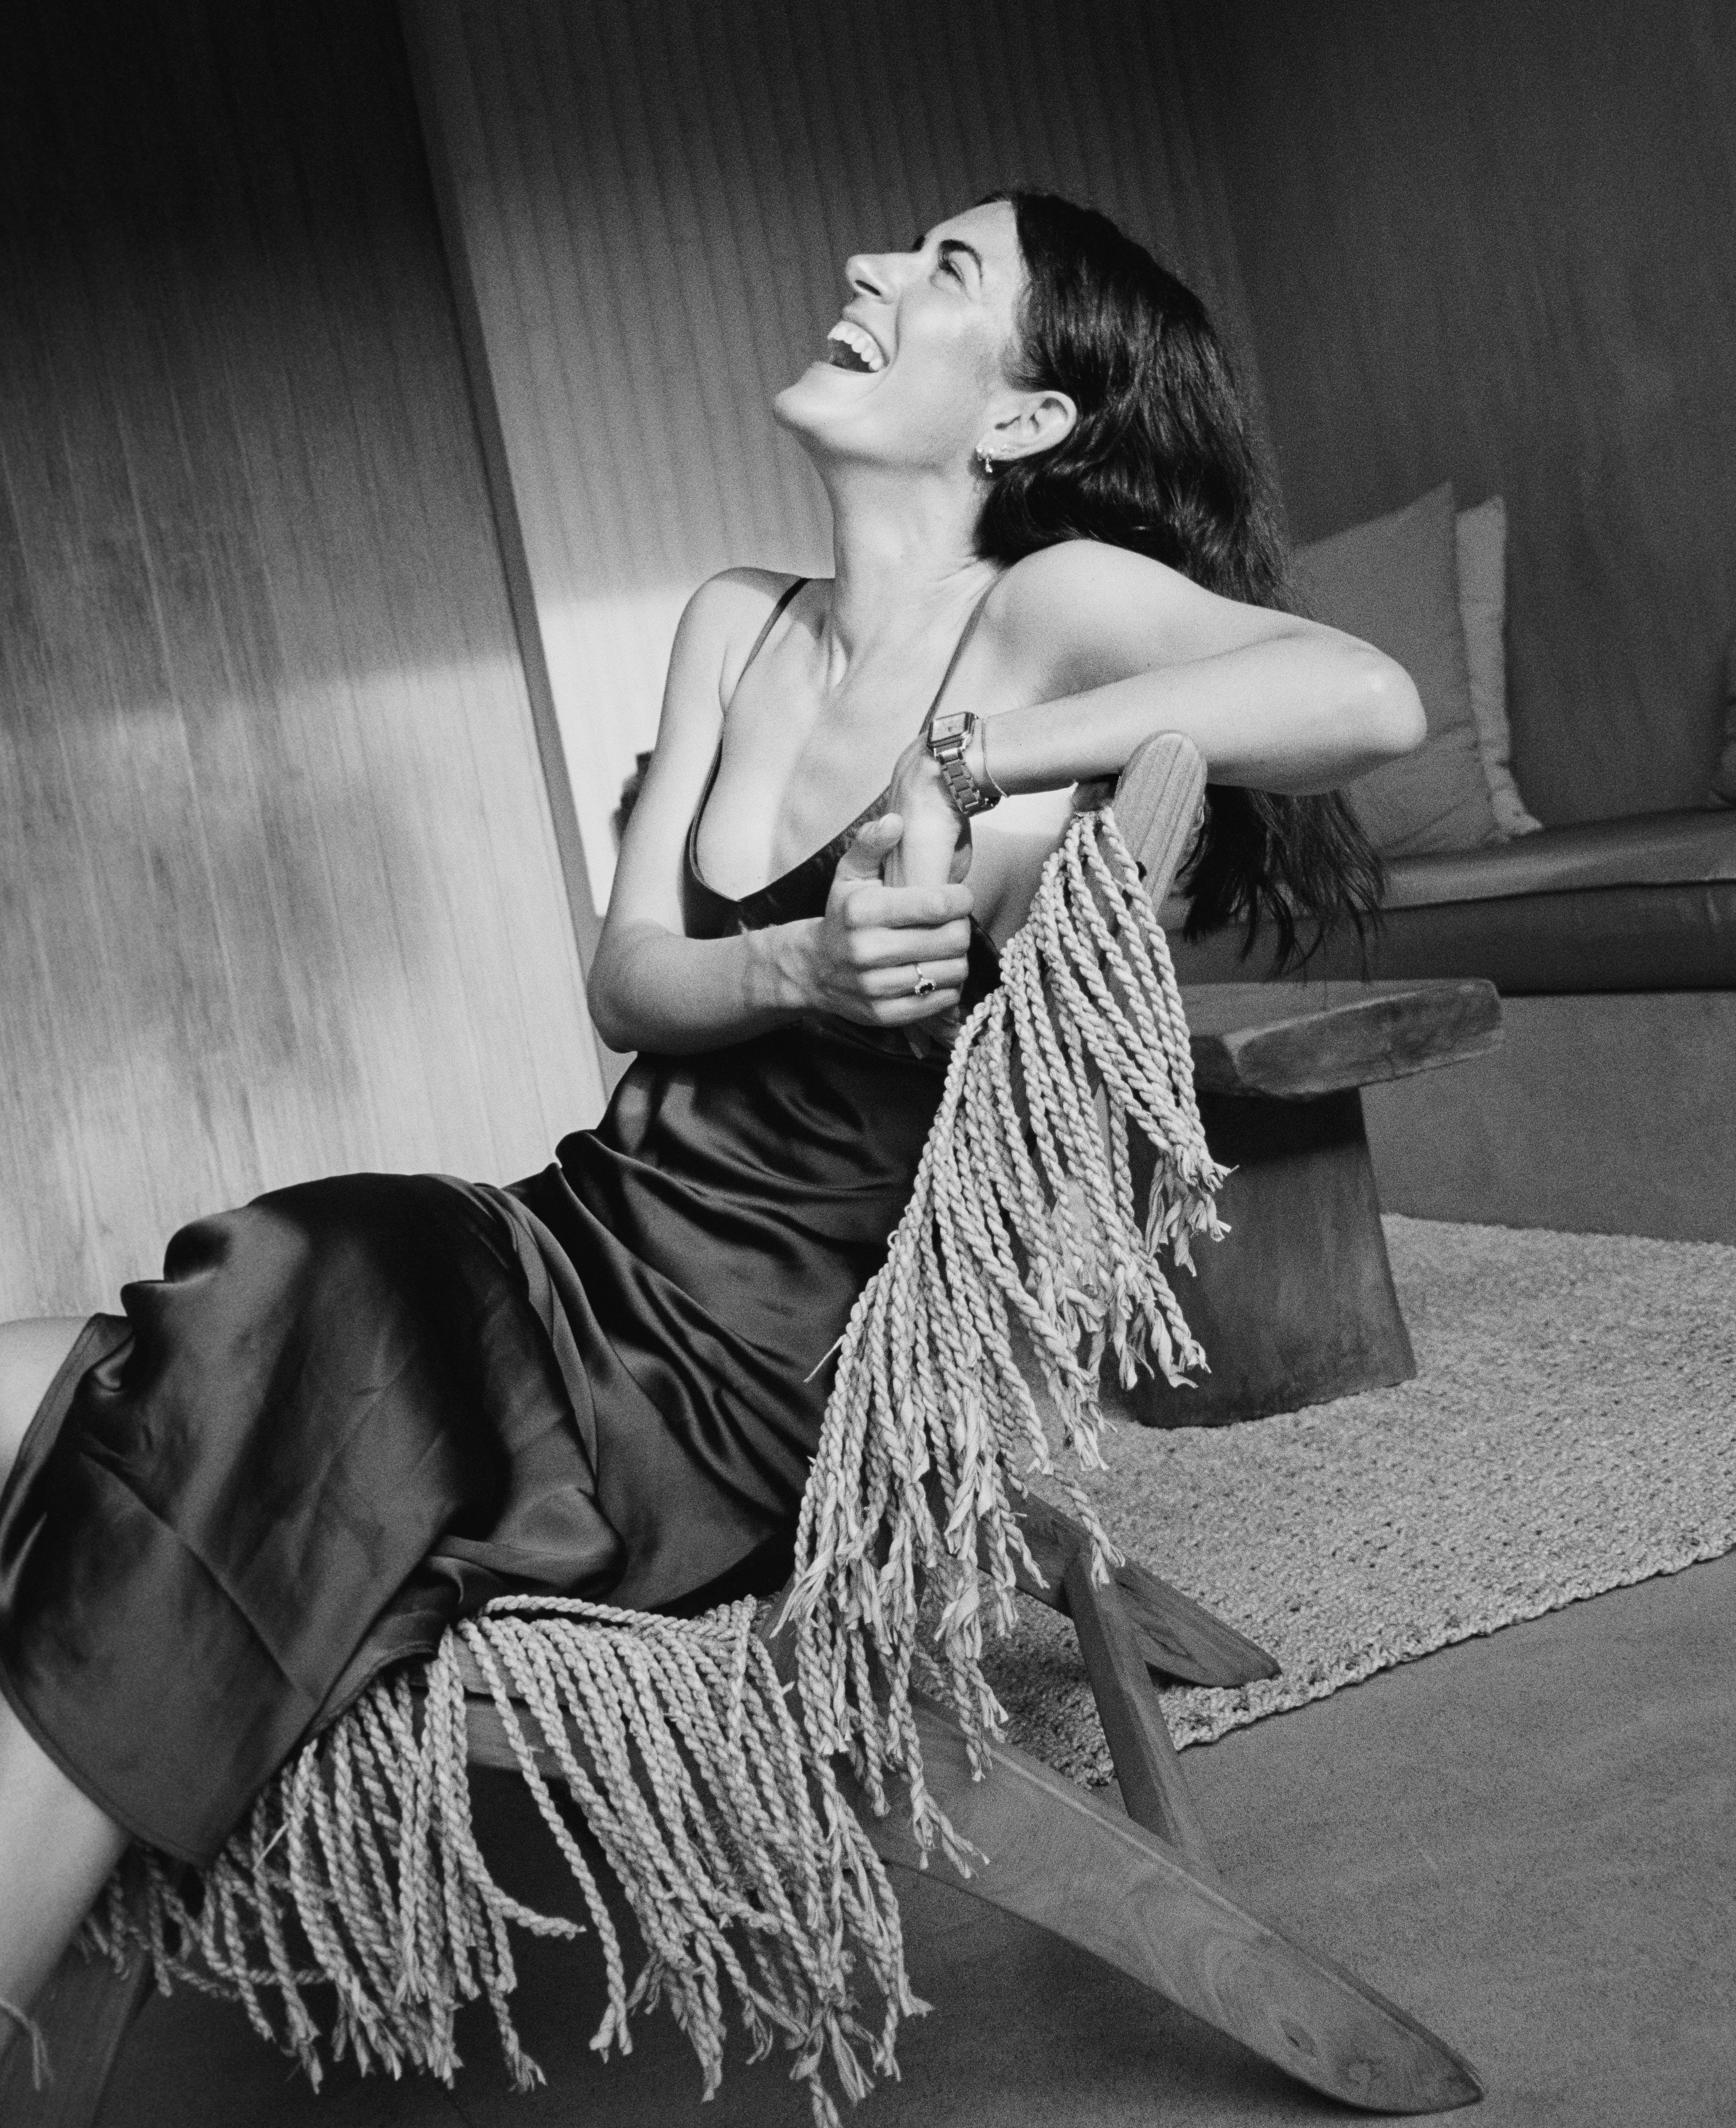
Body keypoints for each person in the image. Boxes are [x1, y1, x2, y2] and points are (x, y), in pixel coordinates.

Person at [0, 188, 1424, 2053]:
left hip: (752, 1371)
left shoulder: (1046, 608)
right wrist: (802, 975)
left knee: (296, 1284)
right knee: (95, 1355)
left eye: (945, 272)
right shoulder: (735, 621)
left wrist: (968, 758)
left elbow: (1363, 697)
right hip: (576, 1249)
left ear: (1022, 422)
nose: (868, 272)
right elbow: (631, 984)